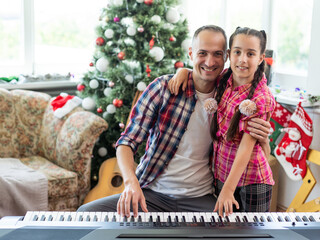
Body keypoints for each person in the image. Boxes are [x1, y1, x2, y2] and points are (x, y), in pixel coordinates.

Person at [77, 25, 271, 218]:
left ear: (225, 57)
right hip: (152, 194)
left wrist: (263, 140)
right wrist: (130, 183)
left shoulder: (228, 93)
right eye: (202, 53)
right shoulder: (163, 88)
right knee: (85, 216)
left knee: (235, 232)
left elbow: (254, 85)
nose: (210, 62)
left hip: (202, 198)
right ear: (191, 53)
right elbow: (126, 142)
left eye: (217, 54)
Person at [169, 27, 276, 217]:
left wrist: (227, 190)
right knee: (224, 232)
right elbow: (202, 72)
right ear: (229, 54)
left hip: (251, 181)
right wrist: (183, 71)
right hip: (221, 174)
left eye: (250, 54)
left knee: (252, 234)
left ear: (260, 58)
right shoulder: (224, 79)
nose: (242, 59)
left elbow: (246, 149)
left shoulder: (261, 98)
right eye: (237, 52)